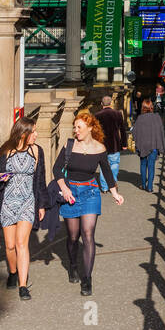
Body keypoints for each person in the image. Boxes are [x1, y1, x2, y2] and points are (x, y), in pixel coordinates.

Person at [56, 110, 123, 296]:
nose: (76, 130)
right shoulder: (69, 145)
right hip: (71, 193)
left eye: (79, 127)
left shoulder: (100, 148)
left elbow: (107, 173)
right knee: (72, 236)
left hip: (91, 192)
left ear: (90, 128)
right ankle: (73, 265)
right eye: (75, 127)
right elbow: (57, 169)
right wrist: (65, 187)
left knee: (88, 234)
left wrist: (115, 193)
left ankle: (87, 278)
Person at [0, 116, 46, 299]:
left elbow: (41, 180)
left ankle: (23, 285)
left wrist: (41, 205)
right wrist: (1, 177)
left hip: (27, 202)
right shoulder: (5, 151)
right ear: (23, 133)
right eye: (33, 131)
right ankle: (12, 272)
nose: (36, 135)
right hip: (7, 202)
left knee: (22, 243)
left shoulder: (37, 152)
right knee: (10, 246)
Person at [130, 99, 165, 192]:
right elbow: (161, 131)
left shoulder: (140, 118)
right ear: (151, 107)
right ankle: (150, 187)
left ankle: (143, 184)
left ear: (143, 107)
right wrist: (161, 144)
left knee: (143, 165)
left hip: (142, 146)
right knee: (151, 166)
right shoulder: (157, 117)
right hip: (154, 145)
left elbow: (134, 132)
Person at [95, 95, 129, 192]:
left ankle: (104, 187)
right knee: (114, 164)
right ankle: (112, 184)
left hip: (102, 145)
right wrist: (124, 144)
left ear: (102, 104)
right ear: (111, 103)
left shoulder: (97, 115)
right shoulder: (117, 114)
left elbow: (95, 132)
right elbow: (122, 130)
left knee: (103, 166)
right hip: (114, 144)